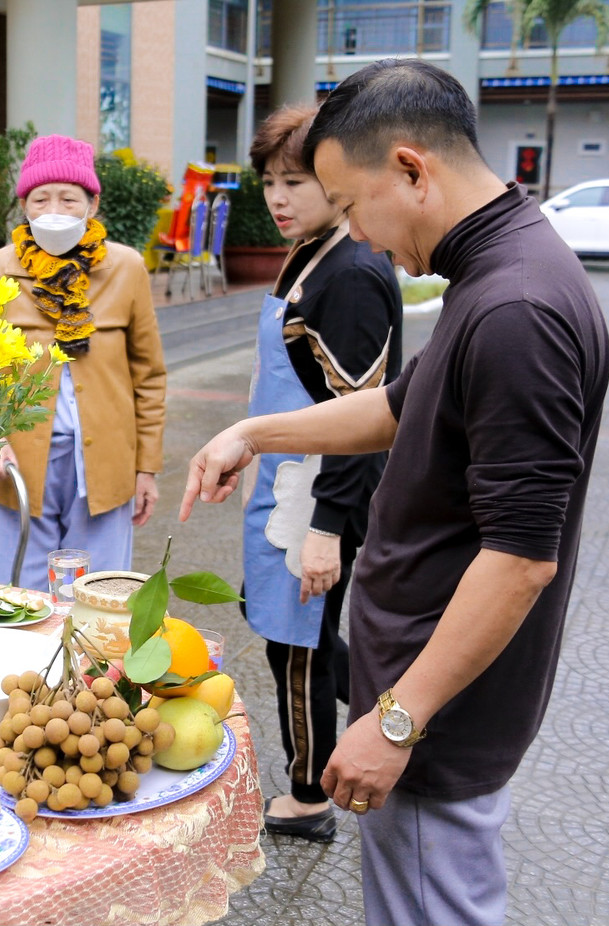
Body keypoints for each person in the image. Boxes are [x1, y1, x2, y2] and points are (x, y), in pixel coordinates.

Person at [181, 59, 609, 926]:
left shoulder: (516, 309)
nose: (360, 235)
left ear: (412, 169)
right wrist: (255, 432)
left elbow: (520, 559)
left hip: (438, 713)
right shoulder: (495, 270)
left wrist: (396, 722)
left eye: (351, 204)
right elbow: (394, 406)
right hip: (422, 688)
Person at [243, 104, 403, 842]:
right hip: (287, 479)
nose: (279, 199)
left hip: (319, 492)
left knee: (300, 646)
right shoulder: (313, 250)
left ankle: (309, 796)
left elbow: (361, 417)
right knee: (293, 635)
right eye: (269, 183)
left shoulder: (354, 272)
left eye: (296, 182)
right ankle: (387, 711)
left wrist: (326, 529)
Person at [0, 134, 166, 591]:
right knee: (23, 596)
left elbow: (149, 376)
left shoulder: (126, 268)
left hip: (107, 460)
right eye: (41, 199)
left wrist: (147, 468)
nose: (54, 209)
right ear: (24, 205)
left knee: (99, 593)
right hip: (19, 461)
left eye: (69, 198)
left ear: (92, 204)